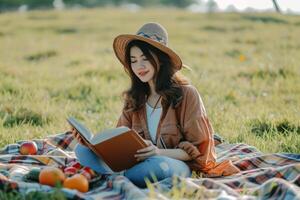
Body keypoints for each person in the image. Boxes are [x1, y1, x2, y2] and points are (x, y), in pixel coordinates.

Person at [72, 22, 240, 188]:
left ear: (159, 58)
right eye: (134, 60)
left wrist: (158, 152)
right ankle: (120, 174)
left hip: (172, 163)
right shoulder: (134, 98)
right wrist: (92, 145)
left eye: (145, 58)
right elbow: (118, 142)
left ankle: (111, 175)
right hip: (135, 163)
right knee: (81, 151)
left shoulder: (187, 94)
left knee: (154, 166)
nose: (140, 66)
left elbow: (199, 151)